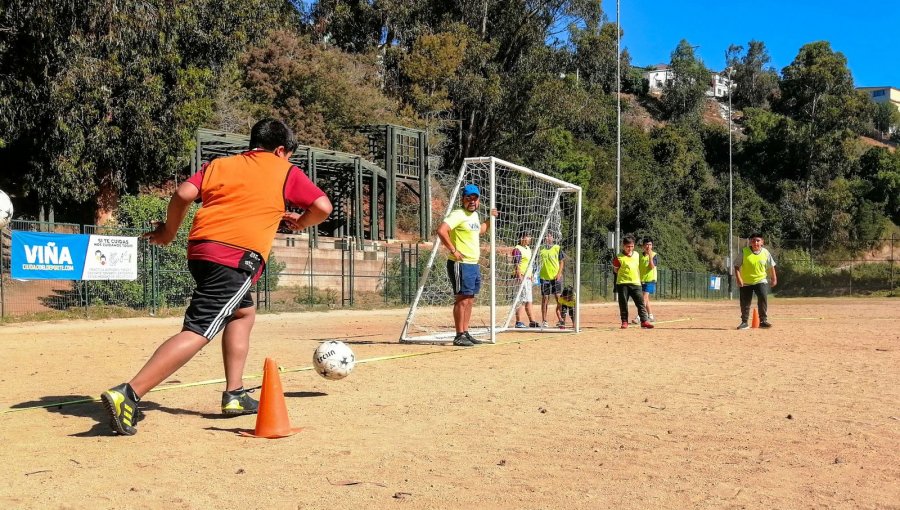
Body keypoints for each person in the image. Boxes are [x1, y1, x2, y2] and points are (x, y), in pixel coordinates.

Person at [100, 119, 333, 436]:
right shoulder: (285, 171)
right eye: (288, 155)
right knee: (199, 329)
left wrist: (169, 232)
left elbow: (183, 193)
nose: (288, 161)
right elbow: (322, 206)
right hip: (235, 257)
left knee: (243, 312)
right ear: (281, 150)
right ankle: (129, 393)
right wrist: (302, 221)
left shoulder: (219, 165)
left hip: (201, 250)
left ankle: (234, 394)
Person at [436, 184, 498, 346]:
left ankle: (465, 332)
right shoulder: (458, 214)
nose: (472, 201)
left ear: (478, 200)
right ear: (463, 200)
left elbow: (481, 230)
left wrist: (489, 219)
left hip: (473, 264)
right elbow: (442, 230)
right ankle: (458, 335)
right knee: (462, 299)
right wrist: (453, 250)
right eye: (468, 198)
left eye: (475, 198)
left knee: (470, 299)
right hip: (460, 264)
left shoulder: (475, 216)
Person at [734, 232, 777, 330]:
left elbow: (771, 266)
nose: (755, 243)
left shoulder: (766, 253)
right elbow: (736, 266)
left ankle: (763, 321)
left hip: (761, 280)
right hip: (746, 281)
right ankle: (744, 322)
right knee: (745, 302)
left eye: (758, 240)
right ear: (750, 242)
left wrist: (774, 278)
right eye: (753, 241)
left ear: (762, 242)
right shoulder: (744, 252)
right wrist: (739, 278)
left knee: (763, 298)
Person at [612, 235, 653, 329]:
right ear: (623, 246)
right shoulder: (618, 257)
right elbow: (615, 270)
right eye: (628, 246)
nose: (630, 248)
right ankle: (624, 322)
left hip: (636, 283)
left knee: (641, 303)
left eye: (632, 246)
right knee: (623, 304)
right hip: (622, 284)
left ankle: (644, 321)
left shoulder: (637, 255)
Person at [538, 232, 565, 328]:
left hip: (555, 277)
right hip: (544, 277)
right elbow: (537, 262)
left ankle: (561, 319)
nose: (547, 238)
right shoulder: (541, 249)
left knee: (558, 297)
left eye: (549, 236)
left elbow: (561, 262)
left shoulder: (557, 248)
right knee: (545, 298)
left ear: (553, 238)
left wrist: (559, 273)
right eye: (546, 236)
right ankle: (544, 320)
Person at [512, 231, 539, 328]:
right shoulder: (517, 249)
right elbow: (516, 264)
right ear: (522, 238)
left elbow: (530, 264)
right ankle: (518, 321)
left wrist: (531, 275)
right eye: (528, 236)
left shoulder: (528, 249)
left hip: (528, 277)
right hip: (521, 277)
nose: (530, 238)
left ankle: (532, 321)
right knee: (520, 300)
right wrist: (519, 275)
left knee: (529, 300)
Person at [632, 238, 658, 324]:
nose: (648, 246)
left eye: (650, 245)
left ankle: (639, 317)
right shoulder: (640, 256)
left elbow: (652, 266)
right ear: (643, 246)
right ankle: (650, 316)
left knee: (643, 298)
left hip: (650, 280)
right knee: (646, 299)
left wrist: (650, 256)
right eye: (646, 244)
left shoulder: (654, 255)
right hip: (641, 280)